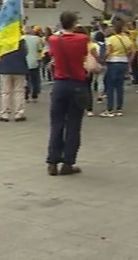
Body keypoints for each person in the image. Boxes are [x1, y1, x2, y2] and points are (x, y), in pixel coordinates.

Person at [46, 12, 100, 176]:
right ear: (75, 23)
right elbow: (89, 59)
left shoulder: (53, 40)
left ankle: (52, 162)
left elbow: (53, 58)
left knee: (57, 124)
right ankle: (68, 162)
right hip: (77, 84)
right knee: (73, 125)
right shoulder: (83, 39)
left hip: (60, 85)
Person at [103, 20, 135, 117]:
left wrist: (103, 59)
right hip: (123, 62)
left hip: (113, 62)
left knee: (110, 86)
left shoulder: (111, 39)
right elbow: (133, 50)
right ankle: (119, 108)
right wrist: (129, 61)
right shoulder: (127, 38)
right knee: (120, 86)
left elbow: (108, 51)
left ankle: (110, 109)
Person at [0, 31, 29, 122]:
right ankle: (19, 113)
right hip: (19, 68)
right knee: (19, 91)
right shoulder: (21, 41)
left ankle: (5, 114)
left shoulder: (3, 40)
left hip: (5, 68)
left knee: (5, 92)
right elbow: (26, 52)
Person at [23, 26, 44, 103]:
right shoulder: (36, 39)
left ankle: (26, 96)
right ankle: (34, 95)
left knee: (25, 80)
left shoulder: (21, 39)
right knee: (35, 79)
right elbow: (40, 49)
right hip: (34, 61)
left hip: (24, 62)